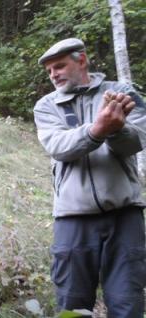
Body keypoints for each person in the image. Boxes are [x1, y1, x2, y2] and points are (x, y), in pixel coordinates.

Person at [34, 38, 146, 316]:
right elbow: (59, 147)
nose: (54, 75)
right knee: (71, 304)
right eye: (49, 71)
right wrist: (98, 129)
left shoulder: (122, 92)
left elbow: (138, 140)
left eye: (59, 66)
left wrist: (117, 129)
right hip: (72, 219)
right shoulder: (46, 106)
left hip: (125, 216)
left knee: (127, 303)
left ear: (81, 60)